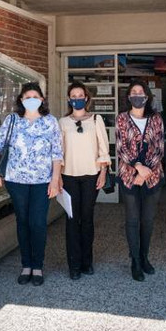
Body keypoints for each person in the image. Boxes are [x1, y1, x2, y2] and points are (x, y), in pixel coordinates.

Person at [0, 82, 63, 287]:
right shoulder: (12, 120)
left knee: (38, 223)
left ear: (42, 99)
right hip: (16, 180)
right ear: (21, 100)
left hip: (42, 181)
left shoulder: (50, 122)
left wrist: (55, 179)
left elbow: (57, 153)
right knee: (22, 221)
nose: (31, 99)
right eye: (27, 96)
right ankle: (26, 266)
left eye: (35, 96)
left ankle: (38, 266)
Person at [59, 81, 110, 279]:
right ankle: (73, 265)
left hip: (91, 176)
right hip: (69, 177)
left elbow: (103, 148)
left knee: (87, 219)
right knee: (72, 220)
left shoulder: (96, 119)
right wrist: (58, 177)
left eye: (81, 95)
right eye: (74, 96)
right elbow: (59, 152)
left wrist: (103, 172)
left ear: (86, 98)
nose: (77, 99)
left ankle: (87, 262)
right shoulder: (62, 122)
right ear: (69, 99)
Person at [115, 78, 165, 282]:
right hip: (129, 177)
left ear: (147, 96)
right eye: (133, 92)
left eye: (140, 92)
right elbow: (120, 147)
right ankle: (135, 261)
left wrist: (146, 172)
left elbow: (160, 147)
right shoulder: (122, 119)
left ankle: (145, 257)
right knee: (133, 220)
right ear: (129, 97)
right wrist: (137, 168)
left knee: (148, 220)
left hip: (152, 178)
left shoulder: (156, 119)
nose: (137, 95)